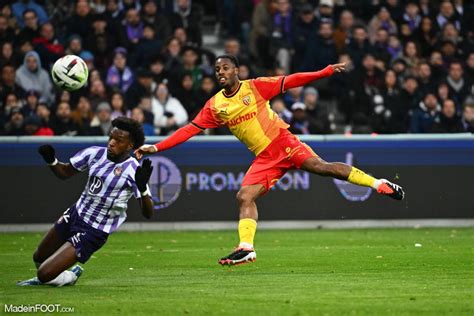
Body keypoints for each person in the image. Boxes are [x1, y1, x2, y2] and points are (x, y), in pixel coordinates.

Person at [134, 55, 405, 266]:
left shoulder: (255, 87)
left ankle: (378, 183)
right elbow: (188, 130)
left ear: (236, 70)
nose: (220, 72)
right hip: (265, 158)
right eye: (217, 69)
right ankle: (246, 249)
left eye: (225, 68)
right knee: (244, 196)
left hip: (283, 143)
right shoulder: (215, 106)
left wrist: (323, 72)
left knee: (323, 168)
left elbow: (292, 80)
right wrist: (157, 148)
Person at [17, 117, 154, 286]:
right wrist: (51, 160)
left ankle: (69, 277)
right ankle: (63, 271)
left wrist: (142, 188)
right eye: (111, 137)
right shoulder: (94, 153)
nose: (111, 143)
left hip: (94, 230)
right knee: (38, 257)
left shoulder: (133, 170)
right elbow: (64, 173)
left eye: (118, 140)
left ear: (130, 146)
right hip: (76, 213)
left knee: (44, 275)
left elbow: (148, 213)